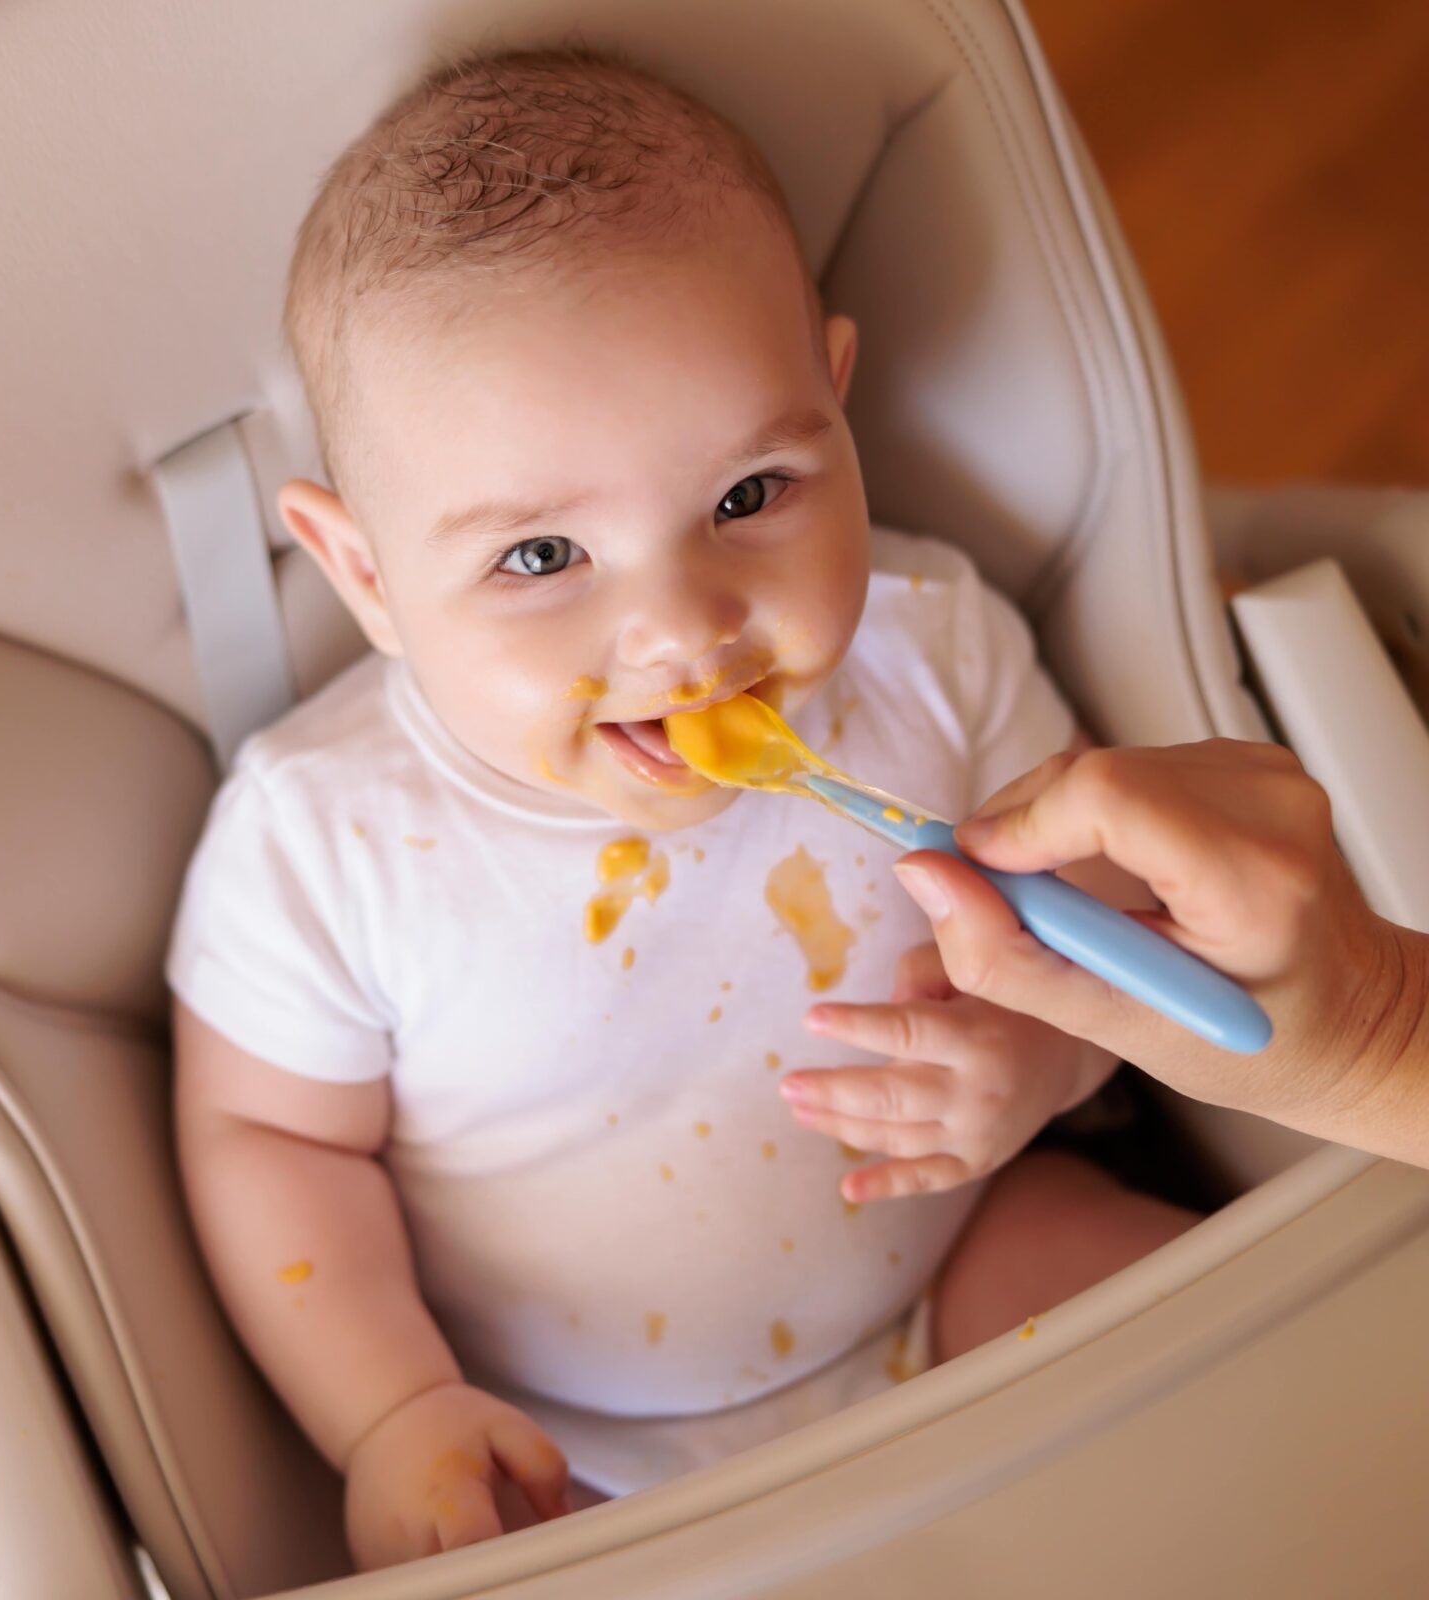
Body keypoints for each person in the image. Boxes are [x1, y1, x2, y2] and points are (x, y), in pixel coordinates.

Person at [165, 46, 1193, 1573]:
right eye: (540, 559)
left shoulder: (935, 651)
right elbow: (266, 1143)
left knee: (1250, 1349)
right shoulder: (323, 841)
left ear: (834, 405)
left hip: (954, 1270)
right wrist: (391, 1413)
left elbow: (1109, 892)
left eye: (748, 495)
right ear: (365, 573)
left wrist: (1045, 1049)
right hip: (573, 1451)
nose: (683, 628)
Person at [801, 739, 1429, 1170]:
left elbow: (1111, 868)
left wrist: (1036, 1056)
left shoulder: (946, 621)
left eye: (730, 530)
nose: (699, 623)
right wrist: (1373, 1032)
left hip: (995, 1227)